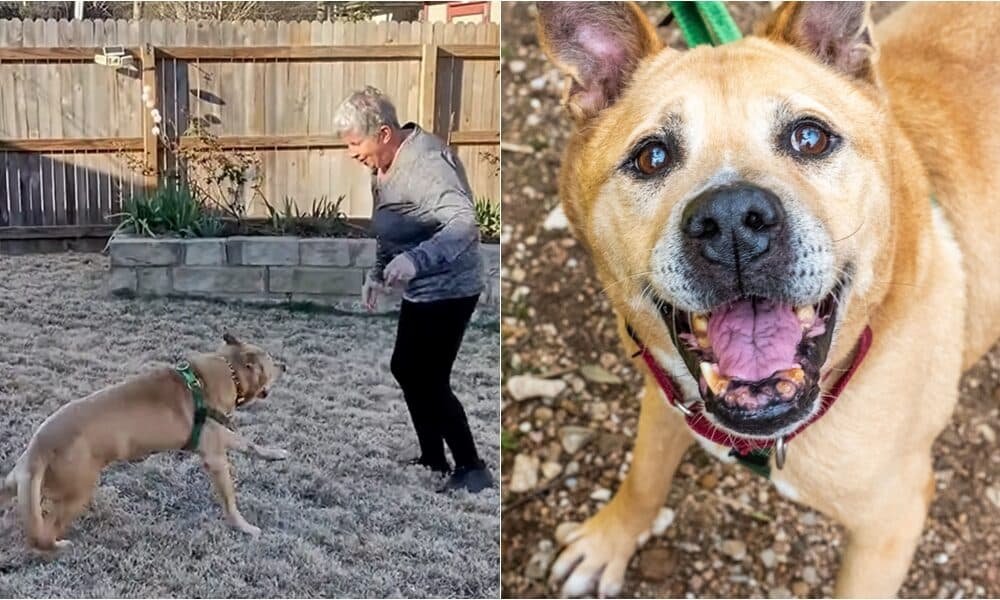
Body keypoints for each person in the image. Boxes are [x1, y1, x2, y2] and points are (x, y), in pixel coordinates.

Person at [333, 86, 493, 494]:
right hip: (423, 289)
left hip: (451, 286)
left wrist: (416, 261)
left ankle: (472, 468)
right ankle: (433, 457)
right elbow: (389, 228)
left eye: (355, 143)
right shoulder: (383, 167)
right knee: (407, 368)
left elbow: (463, 224)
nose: (352, 153)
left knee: (430, 378)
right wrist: (377, 273)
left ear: (383, 133)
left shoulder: (426, 163)